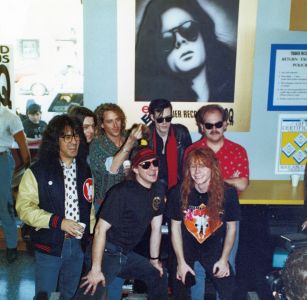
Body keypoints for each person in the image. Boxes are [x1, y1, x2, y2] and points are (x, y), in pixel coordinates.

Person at [16, 114, 96, 299]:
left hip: (78, 245)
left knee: (68, 293)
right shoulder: (38, 171)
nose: (73, 141)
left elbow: (88, 205)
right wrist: (58, 222)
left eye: (76, 136)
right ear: (55, 140)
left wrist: (91, 235)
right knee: (46, 295)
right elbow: (24, 209)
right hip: (49, 245)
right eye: (67, 137)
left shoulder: (85, 169)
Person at [80, 146, 168, 300]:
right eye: (146, 165)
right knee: (91, 291)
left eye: (155, 163)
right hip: (105, 253)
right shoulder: (121, 192)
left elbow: (156, 229)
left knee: (158, 275)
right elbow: (100, 230)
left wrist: (154, 261)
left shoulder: (158, 190)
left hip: (125, 255)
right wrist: (95, 269)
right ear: (134, 169)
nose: (152, 168)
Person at [185, 104, 249, 299]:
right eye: (209, 124)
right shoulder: (192, 151)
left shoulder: (237, 151)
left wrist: (211, 179)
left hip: (227, 216)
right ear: (201, 126)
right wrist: (229, 180)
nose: (214, 129)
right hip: (198, 214)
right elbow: (189, 183)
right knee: (196, 266)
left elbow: (243, 184)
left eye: (218, 124)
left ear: (225, 125)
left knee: (227, 264)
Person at [168, 147, 240, 300]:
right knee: (179, 286)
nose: (197, 171)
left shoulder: (228, 193)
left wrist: (223, 259)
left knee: (229, 288)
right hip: (186, 247)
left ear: (212, 168)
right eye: (193, 166)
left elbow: (231, 228)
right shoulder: (178, 192)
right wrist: (181, 262)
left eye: (202, 166)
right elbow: (174, 228)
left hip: (212, 247)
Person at [135, 0, 236, 102]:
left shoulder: (234, 84)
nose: (180, 41)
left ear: (204, 32)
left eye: (188, 29)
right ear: (157, 54)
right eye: (167, 40)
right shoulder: (155, 103)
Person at [89, 103, 143, 210]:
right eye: (110, 121)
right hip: (106, 203)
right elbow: (112, 168)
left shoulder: (131, 140)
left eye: (117, 120)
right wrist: (130, 141)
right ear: (102, 124)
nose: (115, 125)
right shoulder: (96, 144)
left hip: (131, 200)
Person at [0, 101, 31, 263]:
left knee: (4, 205)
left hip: (2, 162)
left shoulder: (9, 116)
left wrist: (28, 167)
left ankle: (11, 246)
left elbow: (22, 143)